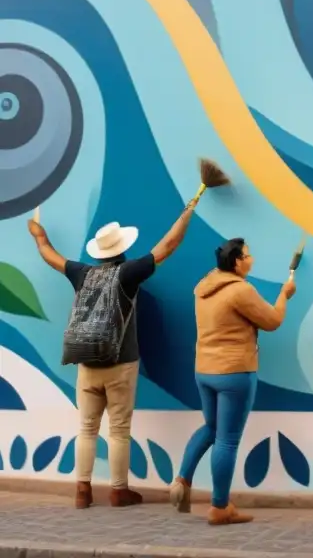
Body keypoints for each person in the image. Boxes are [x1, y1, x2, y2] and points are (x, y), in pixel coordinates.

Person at [27, 205, 196, 509]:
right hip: (121, 364)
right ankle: (119, 491)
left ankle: (82, 490)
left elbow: (50, 256)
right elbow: (167, 246)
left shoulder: (83, 273)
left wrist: (39, 236)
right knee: (118, 428)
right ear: (122, 248)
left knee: (87, 427)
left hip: (87, 362)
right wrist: (187, 213)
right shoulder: (128, 273)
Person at [169, 237, 296, 526]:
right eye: (249, 255)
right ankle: (220, 506)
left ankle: (182, 479)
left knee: (211, 428)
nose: (252, 260)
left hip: (204, 370)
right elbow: (273, 321)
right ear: (237, 261)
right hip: (234, 373)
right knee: (227, 440)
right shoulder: (240, 291)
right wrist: (284, 295)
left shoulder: (204, 285)